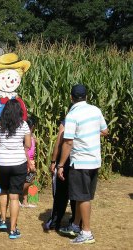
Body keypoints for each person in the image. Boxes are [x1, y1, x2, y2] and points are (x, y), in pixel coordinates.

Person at [57, 84, 108, 244]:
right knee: (81, 196)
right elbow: (105, 131)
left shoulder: (73, 115)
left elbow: (68, 142)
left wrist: (60, 164)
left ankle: (86, 232)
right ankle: (74, 226)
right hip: (94, 161)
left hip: (80, 162)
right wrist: (90, 134)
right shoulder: (96, 110)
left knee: (83, 197)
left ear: (71, 98)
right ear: (86, 96)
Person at [0, 99, 31, 239]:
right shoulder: (23, 124)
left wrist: (2, 142)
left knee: (4, 190)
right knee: (14, 197)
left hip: (2, 163)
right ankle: (13, 230)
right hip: (19, 163)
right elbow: (28, 144)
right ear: (19, 111)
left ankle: (2, 220)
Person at [43, 104, 76, 231]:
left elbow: (59, 142)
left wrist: (54, 161)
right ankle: (76, 222)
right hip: (80, 160)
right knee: (76, 194)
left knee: (61, 194)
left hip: (65, 160)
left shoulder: (67, 121)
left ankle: (55, 221)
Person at [20, 115, 37, 208]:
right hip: (27, 161)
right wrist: (29, 163)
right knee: (31, 178)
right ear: (33, 126)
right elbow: (25, 151)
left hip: (30, 161)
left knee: (27, 179)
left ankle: (25, 201)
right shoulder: (26, 137)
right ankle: (16, 193)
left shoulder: (31, 136)